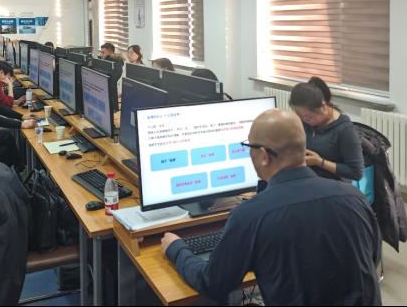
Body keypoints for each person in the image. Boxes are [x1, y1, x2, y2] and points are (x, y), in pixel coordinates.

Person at [161, 109, 381, 305]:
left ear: (264, 155)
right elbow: (371, 258)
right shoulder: (354, 198)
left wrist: (176, 248)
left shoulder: (250, 216)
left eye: (249, 147)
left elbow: (213, 284)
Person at [289, 77, 363, 181]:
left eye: (308, 117)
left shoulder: (345, 130)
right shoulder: (305, 122)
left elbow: (356, 173)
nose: (304, 120)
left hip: (333, 185)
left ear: (323, 107)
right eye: (300, 117)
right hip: (307, 180)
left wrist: (319, 162)